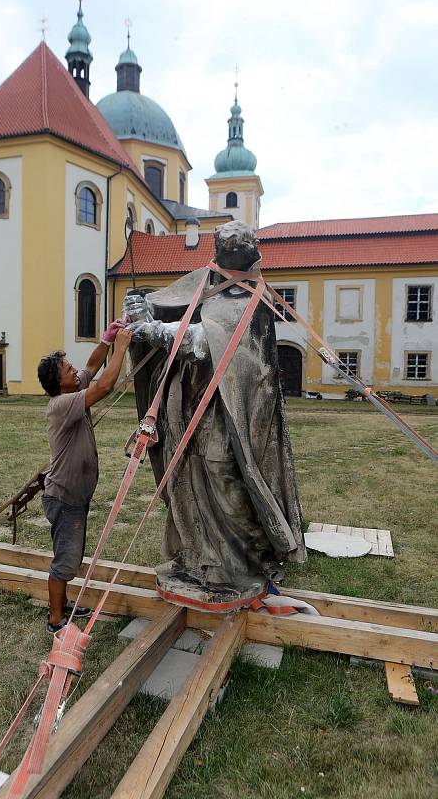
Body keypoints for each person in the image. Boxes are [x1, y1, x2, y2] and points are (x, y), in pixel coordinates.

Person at [123, 221, 305, 608]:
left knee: (225, 479)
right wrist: (141, 309)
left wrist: (151, 327)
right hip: (188, 404)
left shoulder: (251, 300)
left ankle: (242, 561)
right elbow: (169, 304)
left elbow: (201, 341)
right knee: (186, 479)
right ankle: (197, 560)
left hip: (229, 413)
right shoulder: (202, 281)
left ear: (249, 254)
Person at [37, 325, 132, 632]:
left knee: (70, 555)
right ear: (58, 382)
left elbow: (93, 367)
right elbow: (104, 386)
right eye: (67, 369)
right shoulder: (62, 404)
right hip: (65, 499)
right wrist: (121, 348)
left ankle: (62, 605)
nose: (75, 369)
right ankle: (55, 620)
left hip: (71, 497)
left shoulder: (74, 389)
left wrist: (106, 341)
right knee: (65, 561)